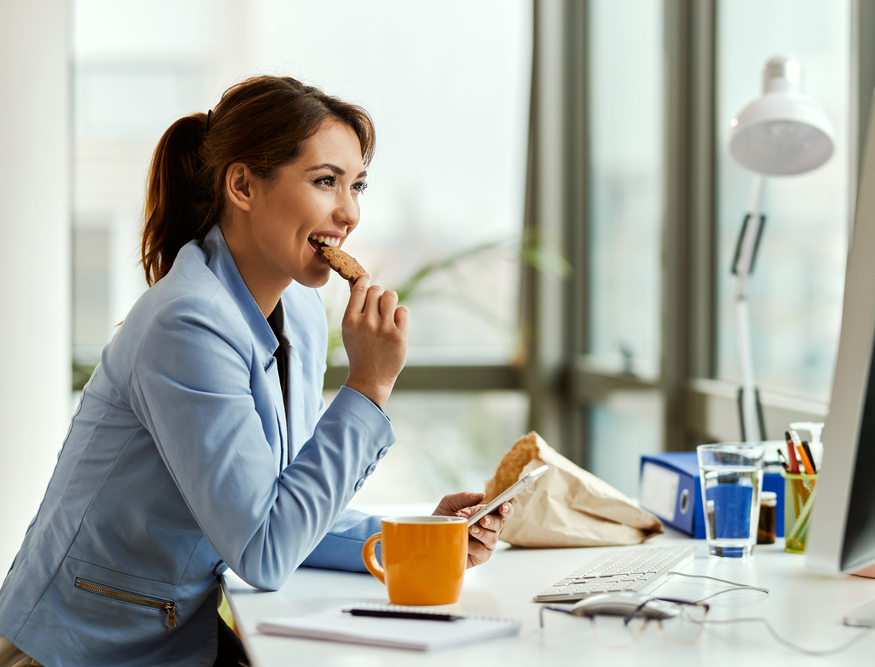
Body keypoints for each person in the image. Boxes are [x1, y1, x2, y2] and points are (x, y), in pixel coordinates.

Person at [0, 75, 511, 667]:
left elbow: (277, 509)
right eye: (326, 182)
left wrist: (417, 540)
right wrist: (369, 387)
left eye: (357, 186)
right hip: (75, 652)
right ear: (242, 185)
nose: (349, 213)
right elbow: (266, 552)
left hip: (171, 640)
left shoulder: (297, 308)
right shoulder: (186, 323)